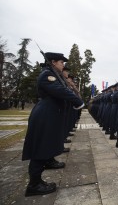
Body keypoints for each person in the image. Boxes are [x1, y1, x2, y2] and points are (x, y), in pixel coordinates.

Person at [22, 52, 84, 197]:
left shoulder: (54, 74)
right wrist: (78, 101)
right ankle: (34, 184)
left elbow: (63, 89)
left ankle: (46, 165)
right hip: (45, 114)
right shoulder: (47, 74)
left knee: (47, 144)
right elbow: (60, 91)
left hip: (51, 113)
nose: (63, 65)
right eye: (61, 62)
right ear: (53, 62)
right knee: (40, 147)